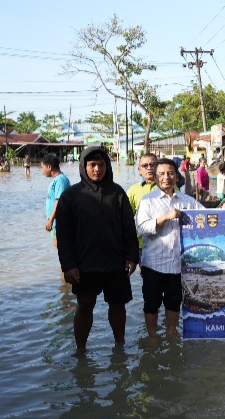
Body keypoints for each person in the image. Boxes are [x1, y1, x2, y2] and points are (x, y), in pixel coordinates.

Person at [55, 146, 140, 355]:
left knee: (118, 305)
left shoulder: (117, 193)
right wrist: (68, 265)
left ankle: (119, 346)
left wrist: (132, 256)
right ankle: (81, 349)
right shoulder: (71, 196)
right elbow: (64, 235)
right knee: (85, 306)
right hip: (85, 264)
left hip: (115, 262)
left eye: (101, 165)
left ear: (107, 166)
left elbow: (129, 228)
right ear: (84, 166)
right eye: (92, 165)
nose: (97, 169)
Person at [135, 158, 205, 338]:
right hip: (153, 263)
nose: (166, 177)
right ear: (156, 177)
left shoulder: (187, 201)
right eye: (161, 174)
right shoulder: (147, 201)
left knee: (174, 303)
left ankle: (171, 334)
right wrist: (165, 217)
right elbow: (142, 228)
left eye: (170, 173)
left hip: (177, 264)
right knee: (151, 303)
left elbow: (207, 218)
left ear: (176, 176)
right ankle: (152, 337)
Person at [126, 153, 159, 252]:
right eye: (145, 166)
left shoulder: (170, 187)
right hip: (142, 244)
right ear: (139, 170)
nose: (149, 168)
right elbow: (127, 220)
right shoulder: (132, 191)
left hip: (168, 243)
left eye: (153, 164)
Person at [41, 153, 71, 248]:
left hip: (60, 223)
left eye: (43, 168)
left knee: (63, 251)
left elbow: (59, 201)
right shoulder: (56, 180)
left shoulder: (61, 180)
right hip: (55, 223)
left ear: (49, 167)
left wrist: (50, 219)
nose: (42, 171)